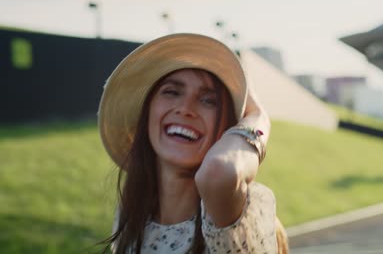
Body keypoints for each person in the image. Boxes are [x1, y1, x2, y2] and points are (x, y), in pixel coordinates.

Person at [98, 33, 288, 253]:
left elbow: (220, 173)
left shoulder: (233, 225)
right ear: (147, 110)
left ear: (230, 131)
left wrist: (258, 115)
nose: (186, 108)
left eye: (208, 100)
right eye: (171, 92)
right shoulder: (131, 213)